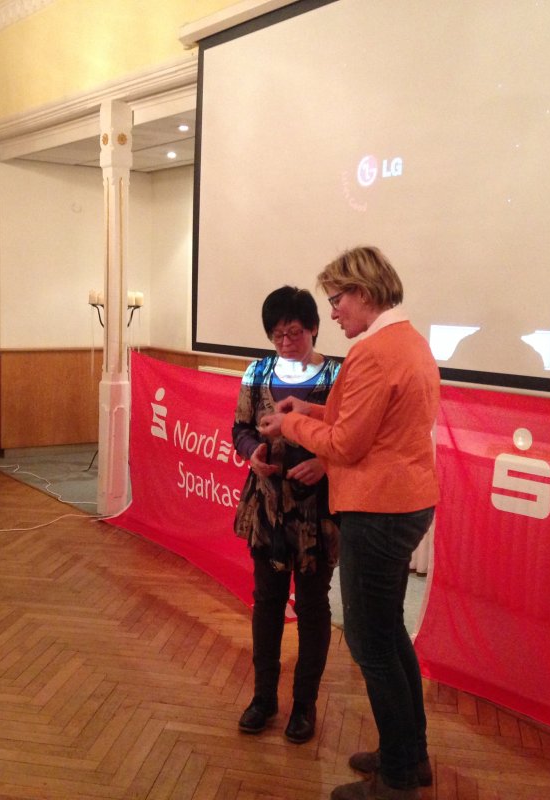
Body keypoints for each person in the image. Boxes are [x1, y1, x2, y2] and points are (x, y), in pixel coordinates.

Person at [258, 248, 439, 800]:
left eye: (337, 300)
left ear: (363, 291)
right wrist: (307, 409)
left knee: (370, 642)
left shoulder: (375, 353)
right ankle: (409, 754)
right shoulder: (407, 340)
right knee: (389, 634)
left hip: (380, 509)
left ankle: (398, 780)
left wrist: (289, 425)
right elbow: (358, 421)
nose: (333, 312)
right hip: (405, 501)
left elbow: (345, 444)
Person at [232, 286, 341, 745]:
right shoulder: (257, 372)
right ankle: (263, 698)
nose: (285, 342)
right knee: (267, 603)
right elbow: (240, 427)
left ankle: (304, 705)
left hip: (319, 512)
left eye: (294, 332)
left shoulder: (338, 375)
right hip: (268, 508)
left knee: (313, 607)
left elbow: (354, 437)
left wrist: (326, 463)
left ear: (313, 328)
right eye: (277, 334)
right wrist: (252, 453)